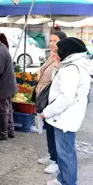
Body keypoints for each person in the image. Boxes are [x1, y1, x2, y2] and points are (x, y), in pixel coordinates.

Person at [41, 37, 92, 185]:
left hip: (64, 117)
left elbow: (65, 97)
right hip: (67, 116)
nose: (57, 52)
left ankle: (68, 182)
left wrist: (47, 112)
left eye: (59, 50)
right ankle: (63, 179)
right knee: (65, 151)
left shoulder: (71, 69)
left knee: (65, 153)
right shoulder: (73, 65)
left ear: (68, 51)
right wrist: (57, 67)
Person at [35, 31, 67, 175]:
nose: (52, 43)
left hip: (53, 100)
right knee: (49, 130)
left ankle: (56, 161)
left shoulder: (63, 59)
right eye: (51, 40)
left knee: (55, 131)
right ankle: (51, 155)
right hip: (45, 98)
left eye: (56, 41)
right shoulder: (52, 56)